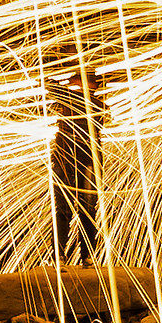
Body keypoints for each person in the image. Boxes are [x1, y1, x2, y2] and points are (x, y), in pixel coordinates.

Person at [45, 64, 106, 267]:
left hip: (86, 160)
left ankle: (84, 256)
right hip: (66, 158)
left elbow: (50, 87)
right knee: (66, 209)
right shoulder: (70, 99)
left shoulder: (94, 103)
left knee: (85, 209)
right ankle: (62, 256)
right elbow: (49, 88)